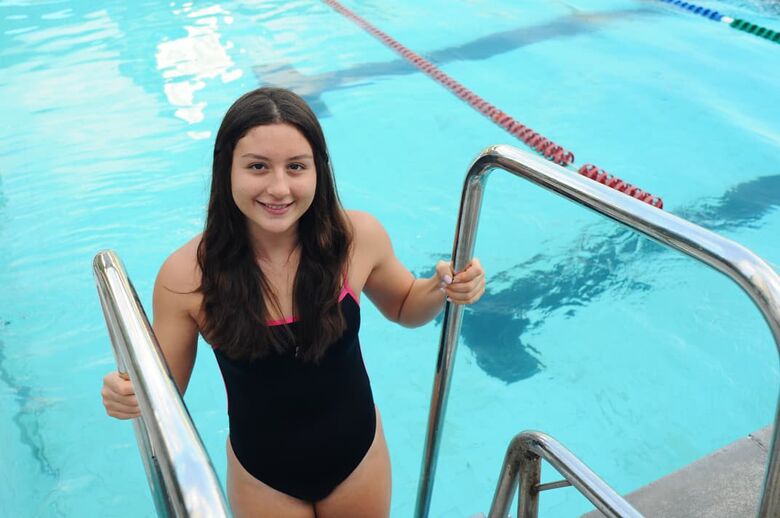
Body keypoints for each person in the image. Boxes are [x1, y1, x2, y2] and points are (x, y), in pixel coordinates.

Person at [101, 87, 485, 518]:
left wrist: (442, 288)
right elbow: (165, 392)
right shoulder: (187, 276)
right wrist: (129, 395)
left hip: (358, 459)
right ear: (226, 169)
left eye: (296, 167)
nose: (279, 188)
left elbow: (403, 307)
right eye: (258, 167)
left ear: (318, 170)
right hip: (264, 479)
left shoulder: (354, 238)